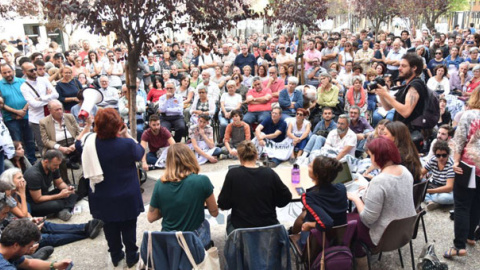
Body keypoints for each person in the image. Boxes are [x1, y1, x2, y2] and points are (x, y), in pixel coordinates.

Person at [75, 108, 144, 267]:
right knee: (129, 226)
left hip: (102, 195)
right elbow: (140, 152)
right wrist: (126, 134)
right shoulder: (126, 144)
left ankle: (115, 255)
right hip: (127, 194)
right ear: (118, 125)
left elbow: (76, 144)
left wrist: (87, 126)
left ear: (97, 126)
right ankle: (131, 255)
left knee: (109, 227)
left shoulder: (89, 143)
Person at [347, 137, 416, 265]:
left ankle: (360, 262)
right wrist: (370, 188)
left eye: (371, 156)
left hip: (383, 236)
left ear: (377, 156)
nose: (370, 159)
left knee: (350, 225)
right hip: (405, 230)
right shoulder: (405, 171)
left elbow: (368, 219)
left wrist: (355, 198)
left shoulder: (379, 181)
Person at [0, 168, 104, 248]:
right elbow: (23, 213)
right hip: (17, 232)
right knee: (46, 238)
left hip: (20, 224)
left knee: (47, 225)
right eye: (19, 178)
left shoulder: (13, 194)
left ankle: (85, 227)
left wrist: (32, 220)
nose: (23, 180)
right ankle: (85, 232)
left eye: (22, 177)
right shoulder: (6, 197)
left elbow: (25, 215)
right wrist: (23, 194)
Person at [148, 143, 219, 247]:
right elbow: (214, 212)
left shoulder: (160, 184)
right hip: (193, 239)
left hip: (170, 239)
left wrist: (169, 207)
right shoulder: (202, 181)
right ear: (191, 158)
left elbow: (151, 217)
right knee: (205, 223)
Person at [217, 140, 292, 235]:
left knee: (229, 219)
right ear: (256, 155)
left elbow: (223, 204)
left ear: (239, 157)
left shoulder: (233, 174)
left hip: (242, 229)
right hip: (269, 227)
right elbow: (286, 197)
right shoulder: (269, 173)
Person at [446, 89, 480, 258]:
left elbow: (459, 140)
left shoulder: (469, 114)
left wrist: (456, 162)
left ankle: (459, 246)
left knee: (462, 205)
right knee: (476, 203)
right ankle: (471, 236)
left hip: (469, 164)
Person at [293, 156, 347, 249]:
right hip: (339, 236)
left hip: (317, 242)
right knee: (304, 214)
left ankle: (294, 238)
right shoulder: (341, 188)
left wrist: (309, 225)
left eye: (311, 166)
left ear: (316, 175)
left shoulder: (309, 197)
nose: (308, 165)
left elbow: (327, 223)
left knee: (304, 217)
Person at [376, 53, 427, 133]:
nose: (399, 68)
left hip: (410, 134)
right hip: (400, 132)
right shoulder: (405, 86)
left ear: (414, 68)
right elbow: (387, 107)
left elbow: (406, 112)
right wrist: (381, 94)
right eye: (399, 65)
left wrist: (386, 94)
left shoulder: (416, 85)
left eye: (403, 66)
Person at [24, 149, 77, 220]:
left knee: (74, 190)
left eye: (58, 165)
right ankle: (63, 209)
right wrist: (59, 196)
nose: (58, 167)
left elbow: (60, 183)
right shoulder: (33, 175)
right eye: (55, 165)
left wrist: (67, 189)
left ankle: (64, 210)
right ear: (46, 161)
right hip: (34, 203)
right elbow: (37, 199)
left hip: (45, 195)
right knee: (58, 204)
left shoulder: (53, 167)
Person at [0, 64, 36, 165]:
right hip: (11, 118)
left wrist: (23, 110)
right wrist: (17, 112)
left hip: (27, 115)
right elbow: (1, 104)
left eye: (9, 72)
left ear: (13, 71)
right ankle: (21, 163)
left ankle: (32, 161)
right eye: (4, 73)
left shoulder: (23, 82)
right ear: (1, 73)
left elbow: (32, 97)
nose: (7, 74)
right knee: (17, 142)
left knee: (30, 140)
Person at [20, 62, 59, 156]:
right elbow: (34, 104)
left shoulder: (44, 80)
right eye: (31, 70)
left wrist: (42, 98)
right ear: (24, 72)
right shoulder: (24, 87)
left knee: (55, 141)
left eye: (35, 69)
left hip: (50, 116)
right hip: (37, 119)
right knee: (43, 144)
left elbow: (56, 95)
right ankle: (47, 165)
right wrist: (48, 97)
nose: (34, 72)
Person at [0, 219, 71, 270]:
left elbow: (29, 263)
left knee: (28, 259)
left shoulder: (11, 252)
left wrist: (56, 265)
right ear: (16, 245)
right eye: (29, 247)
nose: (29, 250)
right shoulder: (3, 266)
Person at [39, 100, 81, 181]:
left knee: (86, 151)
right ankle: (64, 182)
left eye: (60, 109)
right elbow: (45, 140)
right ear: (50, 111)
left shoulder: (69, 117)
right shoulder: (43, 122)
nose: (59, 111)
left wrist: (75, 144)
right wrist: (61, 148)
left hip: (73, 142)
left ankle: (85, 179)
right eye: (56, 110)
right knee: (58, 158)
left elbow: (78, 132)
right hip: (56, 145)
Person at [422, 140, 454, 210]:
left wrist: (428, 191)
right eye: (438, 155)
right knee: (418, 185)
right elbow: (421, 173)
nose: (441, 158)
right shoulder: (433, 160)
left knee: (444, 198)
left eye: (444, 155)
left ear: (448, 154)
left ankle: (428, 198)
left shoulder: (451, 165)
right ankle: (430, 201)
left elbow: (449, 187)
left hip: (446, 190)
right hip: (433, 185)